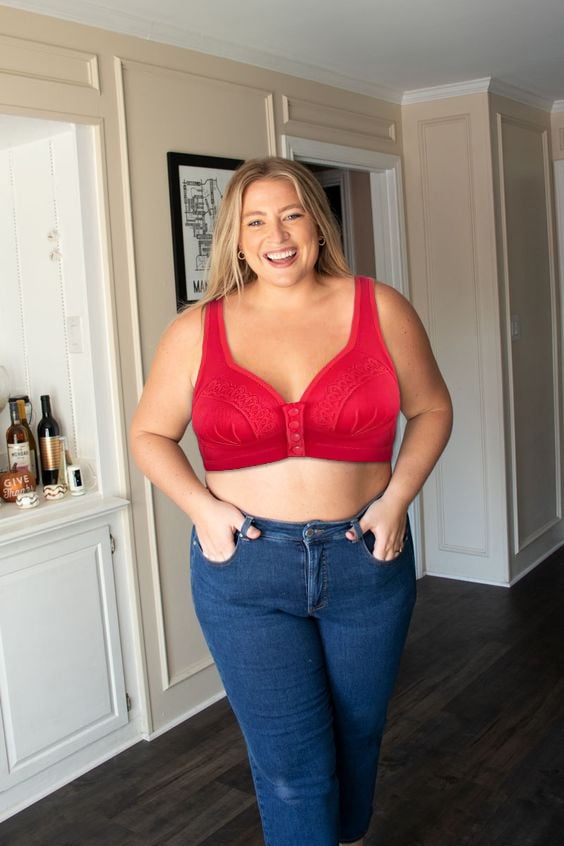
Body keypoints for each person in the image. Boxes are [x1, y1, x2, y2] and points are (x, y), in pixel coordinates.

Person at [130, 156, 452, 846]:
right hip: (246, 570)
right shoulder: (196, 330)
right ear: (236, 238)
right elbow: (149, 435)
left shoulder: (379, 307)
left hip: (366, 559)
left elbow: (432, 409)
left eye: (291, 215)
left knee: (358, 735)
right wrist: (202, 509)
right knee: (292, 769)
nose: (275, 236)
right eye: (255, 222)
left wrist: (396, 499)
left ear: (317, 224)